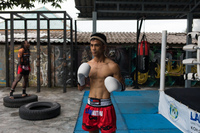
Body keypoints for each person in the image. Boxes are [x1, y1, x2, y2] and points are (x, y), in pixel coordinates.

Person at [77, 33, 125, 133]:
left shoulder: (112, 66)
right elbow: (80, 88)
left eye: (97, 45)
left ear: (104, 47)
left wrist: (117, 85)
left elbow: (122, 87)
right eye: (91, 45)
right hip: (90, 106)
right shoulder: (87, 65)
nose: (93, 48)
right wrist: (80, 79)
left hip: (105, 107)